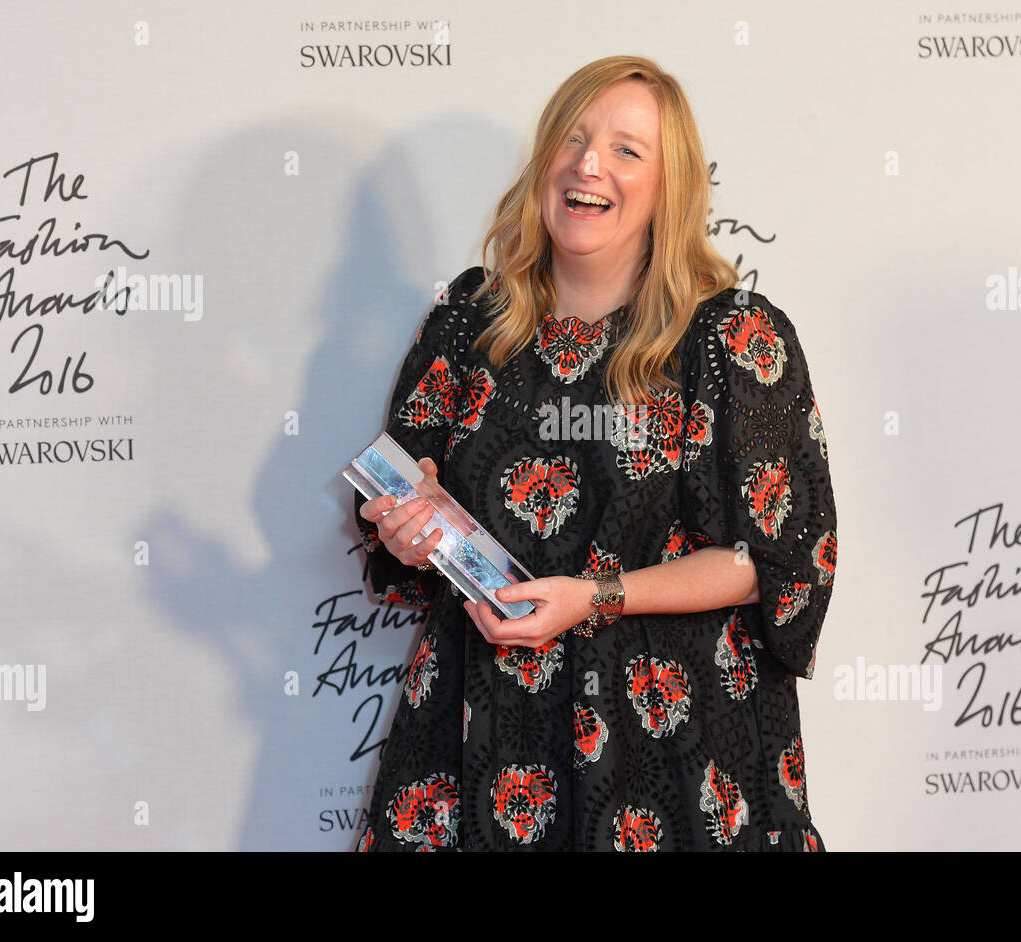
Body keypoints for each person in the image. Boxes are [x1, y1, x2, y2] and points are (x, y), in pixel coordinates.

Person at [351, 55, 838, 851]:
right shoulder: (467, 317)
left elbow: (771, 559)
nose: (588, 165)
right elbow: (395, 500)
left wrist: (595, 595)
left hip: (672, 746)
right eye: (573, 140)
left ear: (667, 187)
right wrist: (407, 524)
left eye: (625, 150)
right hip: (480, 736)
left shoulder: (734, 339)